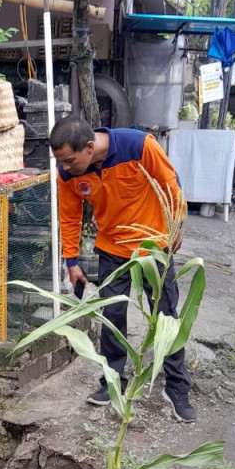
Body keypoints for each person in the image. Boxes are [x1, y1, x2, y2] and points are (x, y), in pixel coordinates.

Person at [49, 116, 196, 423]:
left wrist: (177, 224)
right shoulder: (68, 174)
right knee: (112, 317)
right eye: (60, 161)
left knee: (166, 316)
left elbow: (170, 184)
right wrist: (71, 261)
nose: (64, 167)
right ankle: (113, 382)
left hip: (154, 247)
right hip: (111, 250)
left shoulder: (139, 146)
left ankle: (177, 388)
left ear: (89, 148)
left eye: (69, 160)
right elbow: (69, 216)